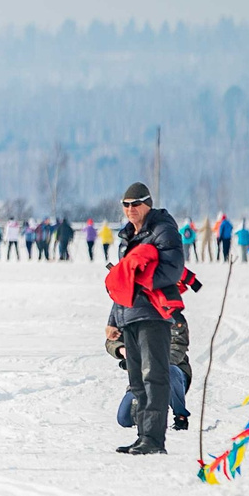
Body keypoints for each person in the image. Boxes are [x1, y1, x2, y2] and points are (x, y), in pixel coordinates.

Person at [102, 181, 185, 457]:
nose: (130, 210)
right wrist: (114, 319)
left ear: (147, 203)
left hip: (153, 314)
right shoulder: (126, 238)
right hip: (129, 315)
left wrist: (140, 282)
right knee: (136, 379)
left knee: (154, 377)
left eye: (135, 204)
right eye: (125, 205)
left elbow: (173, 271)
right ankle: (142, 436)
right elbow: (120, 283)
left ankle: (153, 439)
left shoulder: (163, 230)